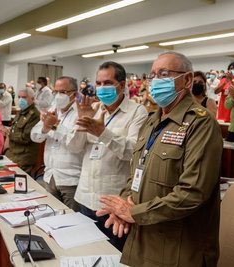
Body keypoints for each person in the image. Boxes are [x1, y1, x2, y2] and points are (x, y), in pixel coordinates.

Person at [96, 52, 223, 267]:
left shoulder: (201, 124)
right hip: (141, 236)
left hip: (177, 247)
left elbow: (192, 193)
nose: (156, 80)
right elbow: (136, 169)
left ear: (188, 80)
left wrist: (133, 213)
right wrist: (122, 206)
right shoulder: (152, 121)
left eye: (164, 74)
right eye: (153, 74)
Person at [65, 61, 147, 250]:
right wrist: (81, 123)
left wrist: (102, 132)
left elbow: (134, 152)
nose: (102, 88)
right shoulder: (94, 109)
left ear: (123, 85)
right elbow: (75, 148)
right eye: (98, 83)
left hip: (114, 203)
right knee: (86, 251)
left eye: (107, 83)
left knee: (111, 254)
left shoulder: (137, 112)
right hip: (86, 197)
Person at [31, 77, 83, 211]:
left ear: (75, 94)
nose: (58, 96)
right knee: (52, 219)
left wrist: (55, 126)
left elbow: (76, 144)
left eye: (63, 92)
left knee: (72, 223)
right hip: (50, 175)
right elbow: (35, 136)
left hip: (70, 179)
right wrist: (45, 127)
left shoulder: (81, 114)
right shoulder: (53, 109)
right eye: (56, 92)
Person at [6, 88, 40, 174]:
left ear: (32, 99)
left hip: (24, 157)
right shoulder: (21, 112)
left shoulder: (34, 114)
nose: (21, 100)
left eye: (24, 97)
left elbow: (26, 137)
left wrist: (9, 133)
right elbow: (15, 129)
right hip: (14, 153)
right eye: (19, 97)